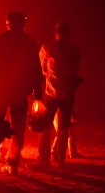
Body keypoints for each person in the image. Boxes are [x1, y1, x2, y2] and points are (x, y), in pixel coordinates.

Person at [0, 11, 43, 175]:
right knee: (18, 128)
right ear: (22, 24)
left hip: (0, 89)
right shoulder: (29, 43)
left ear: (8, 23)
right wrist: (37, 91)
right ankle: (13, 163)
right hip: (20, 91)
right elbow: (36, 69)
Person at [34, 22, 82, 168]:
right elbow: (75, 69)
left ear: (56, 33)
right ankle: (61, 160)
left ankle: (44, 159)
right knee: (63, 127)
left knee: (45, 126)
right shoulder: (75, 50)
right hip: (68, 93)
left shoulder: (48, 47)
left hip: (51, 92)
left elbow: (41, 68)